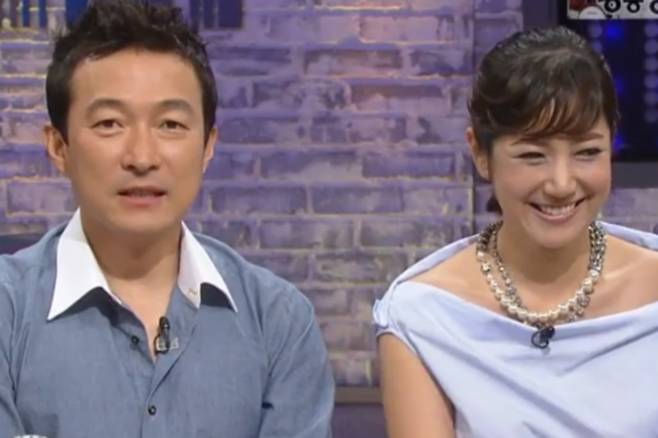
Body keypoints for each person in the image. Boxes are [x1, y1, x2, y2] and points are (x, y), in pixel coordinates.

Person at [0, 1, 334, 437]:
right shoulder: (8, 311)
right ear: (59, 146)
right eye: (109, 123)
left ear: (208, 145)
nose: (142, 157)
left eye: (171, 125)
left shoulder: (278, 321)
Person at [374, 26, 658, 437]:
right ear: (480, 153)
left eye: (587, 152)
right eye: (533, 155)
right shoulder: (422, 315)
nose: (561, 184)